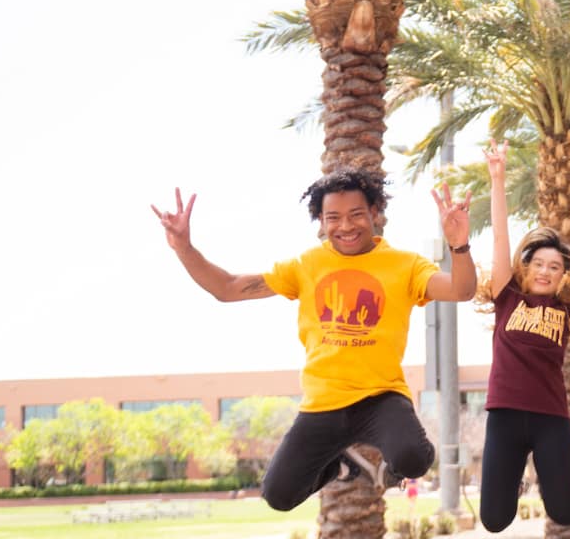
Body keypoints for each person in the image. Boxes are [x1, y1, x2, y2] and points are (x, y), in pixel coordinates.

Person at [153, 170, 477, 510]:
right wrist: (184, 248)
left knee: (412, 458)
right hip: (323, 403)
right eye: (333, 218)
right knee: (278, 496)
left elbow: (461, 289)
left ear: (375, 213)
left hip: (380, 398)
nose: (346, 226)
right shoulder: (308, 265)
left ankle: (389, 469)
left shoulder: (405, 265)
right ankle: (340, 464)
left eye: (356, 215)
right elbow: (228, 288)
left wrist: (459, 244)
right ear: (321, 221)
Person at [475, 140, 570, 533]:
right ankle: (514, 478)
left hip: (550, 418)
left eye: (554, 267)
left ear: (562, 275)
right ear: (526, 267)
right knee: (494, 520)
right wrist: (497, 178)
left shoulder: (564, 312)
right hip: (504, 416)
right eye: (538, 263)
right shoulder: (508, 297)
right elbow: (502, 239)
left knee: (566, 514)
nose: (545, 271)